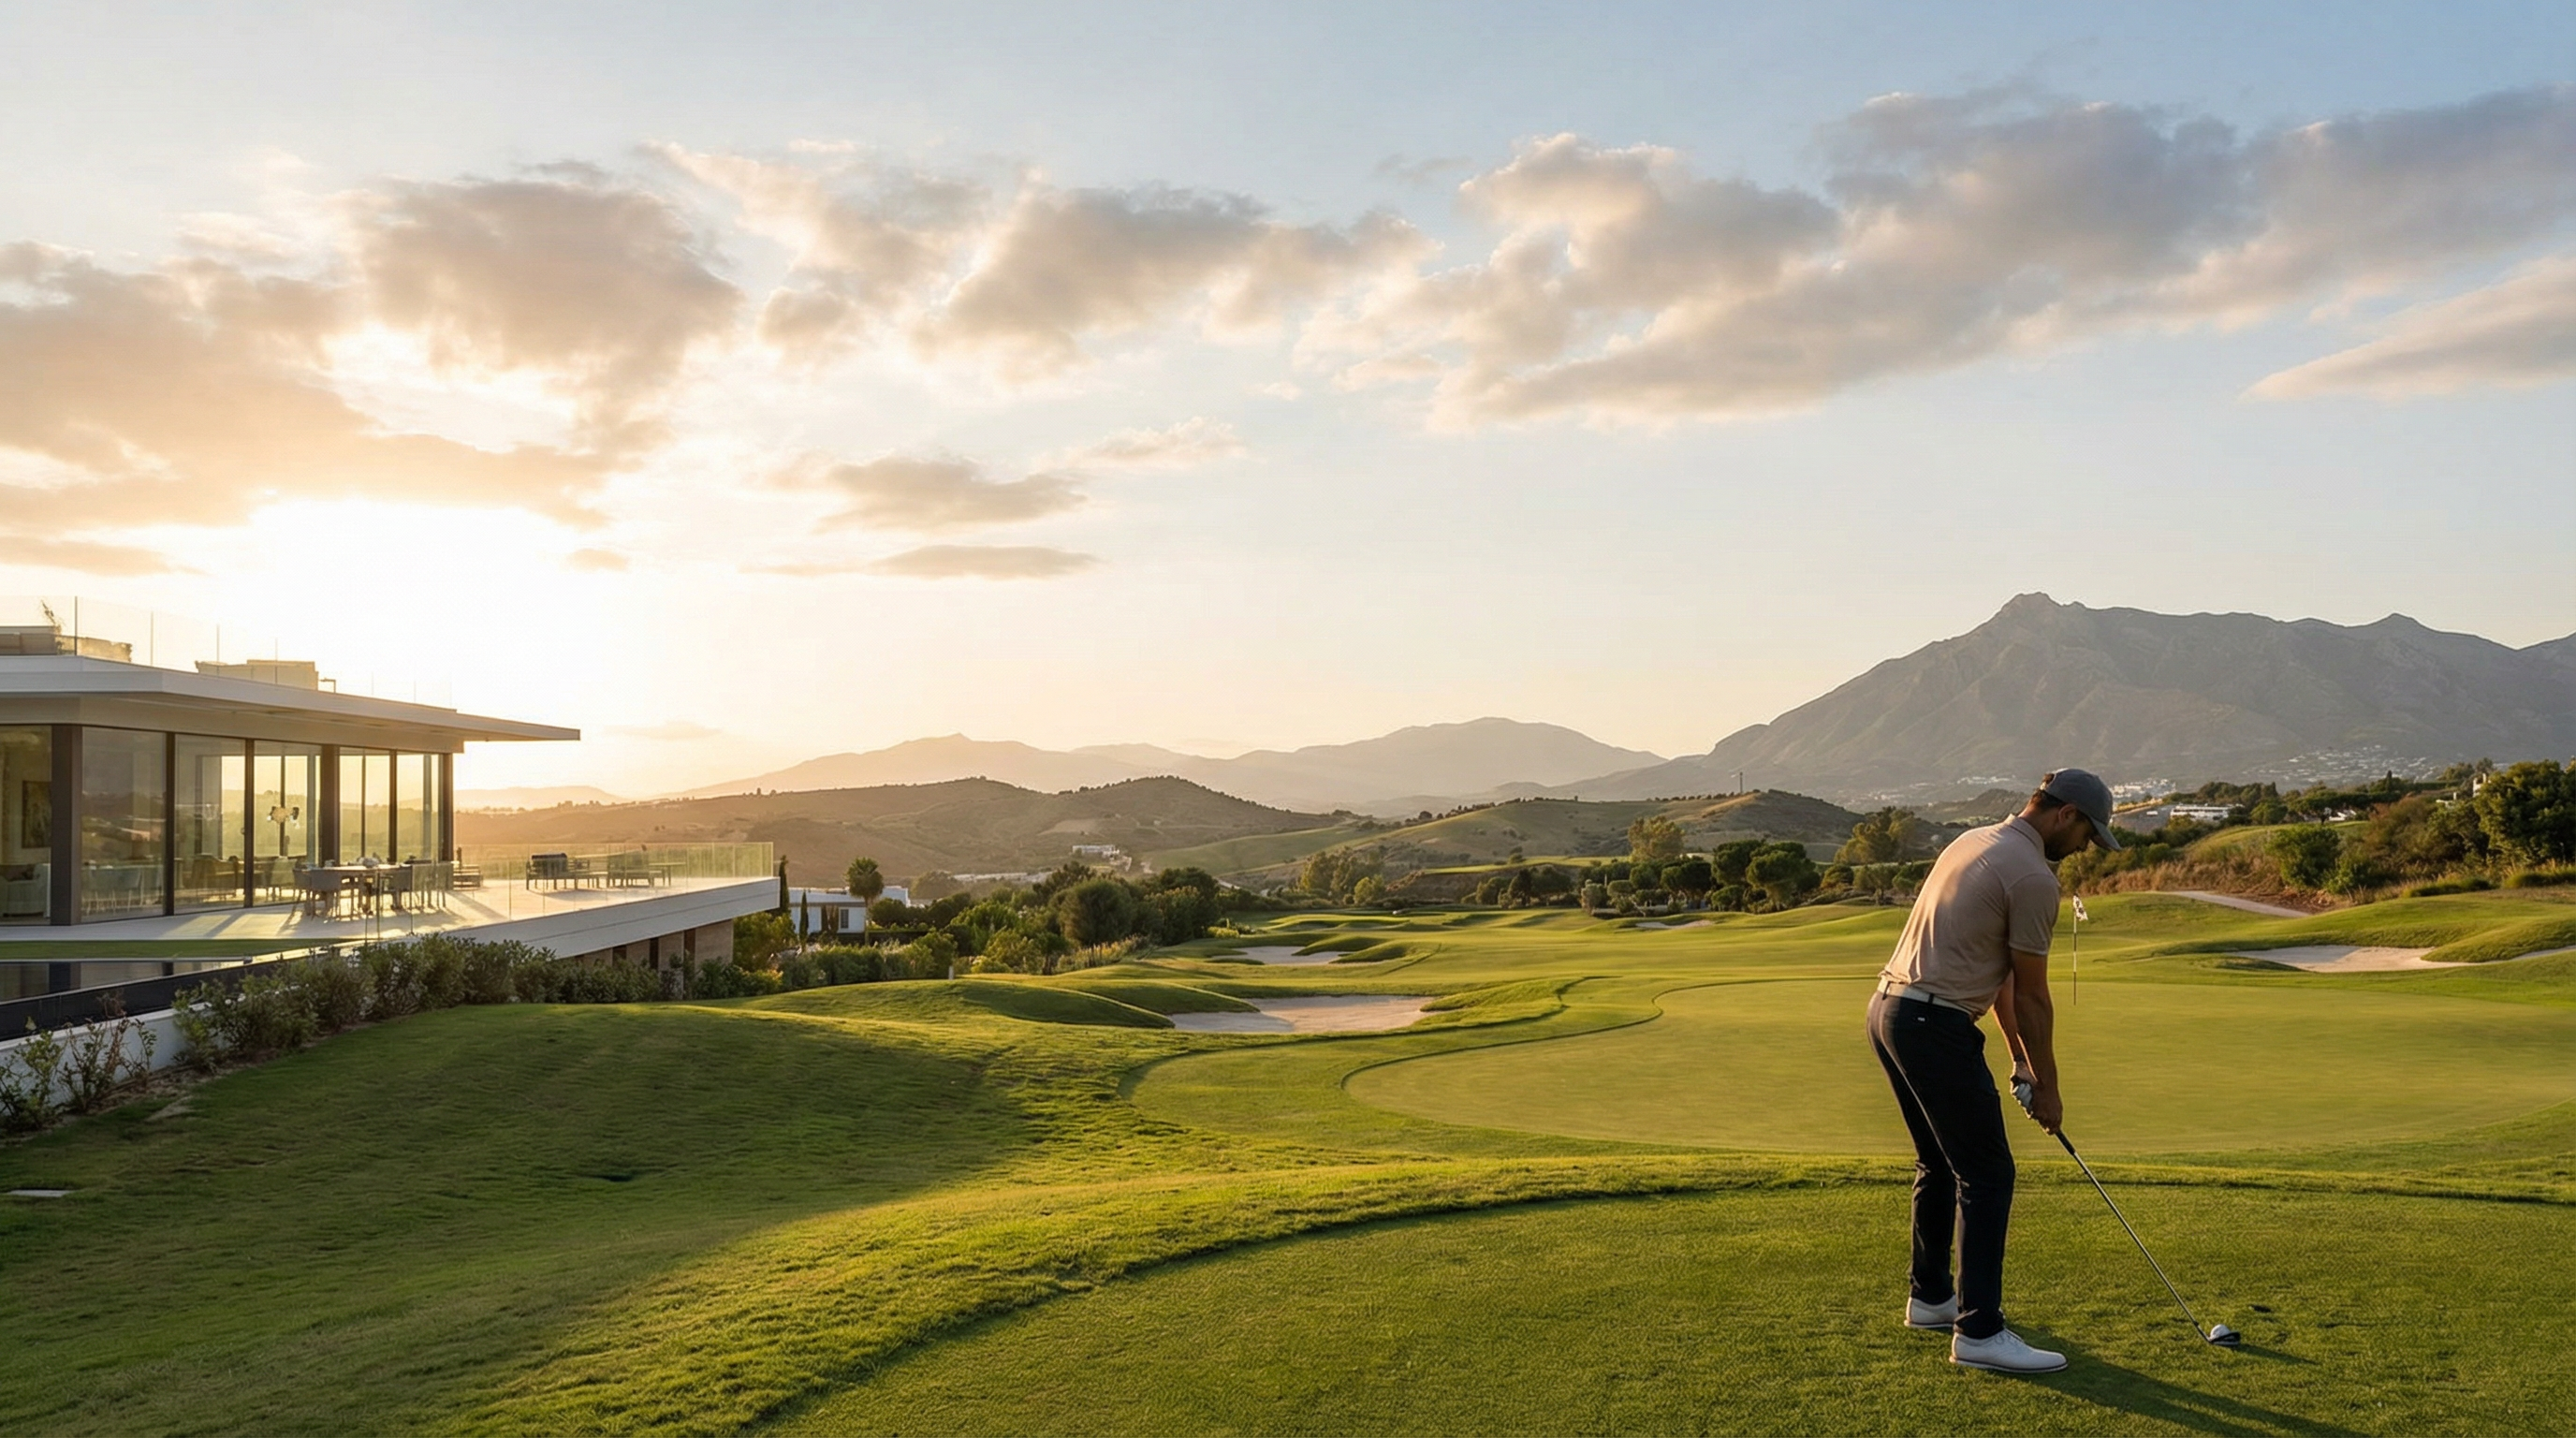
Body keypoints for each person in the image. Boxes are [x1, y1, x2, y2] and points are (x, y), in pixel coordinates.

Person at [1866, 768, 2120, 1373]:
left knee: (1940, 1161)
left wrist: (2019, 1058)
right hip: (1934, 1027)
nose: (2086, 847)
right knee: (1988, 1174)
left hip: (1889, 1012)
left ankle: (1931, 1298)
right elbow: (2033, 996)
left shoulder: (1975, 841)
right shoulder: (2033, 876)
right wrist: (2051, 1090)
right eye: (2088, 833)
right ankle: (1979, 1331)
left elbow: (2001, 977)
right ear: (2065, 815)